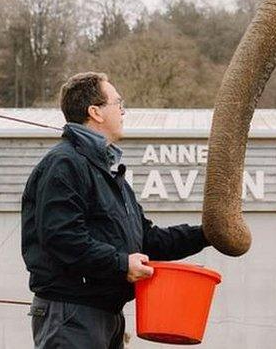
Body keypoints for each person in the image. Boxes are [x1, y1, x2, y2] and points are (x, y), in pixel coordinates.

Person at [21, 72, 210, 348]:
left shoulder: (109, 176)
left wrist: (207, 234)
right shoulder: (64, 165)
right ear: (95, 112)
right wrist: (121, 264)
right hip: (71, 315)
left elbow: (147, 241)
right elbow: (62, 238)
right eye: (118, 103)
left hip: (104, 315)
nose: (123, 111)